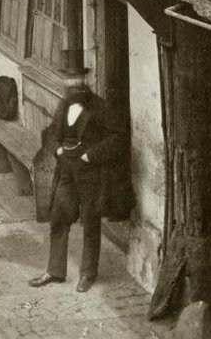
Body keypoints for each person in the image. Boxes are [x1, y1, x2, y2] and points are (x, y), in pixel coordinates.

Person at [28, 51, 130, 294]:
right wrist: (58, 150)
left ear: (85, 80)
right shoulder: (64, 105)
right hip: (66, 168)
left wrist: (91, 155)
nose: (73, 84)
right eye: (69, 79)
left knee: (90, 221)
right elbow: (53, 131)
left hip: (90, 171)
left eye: (77, 79)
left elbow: (119, 137)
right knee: (59, 216)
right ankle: (55, 271)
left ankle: (87, 273)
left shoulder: (100, 107)